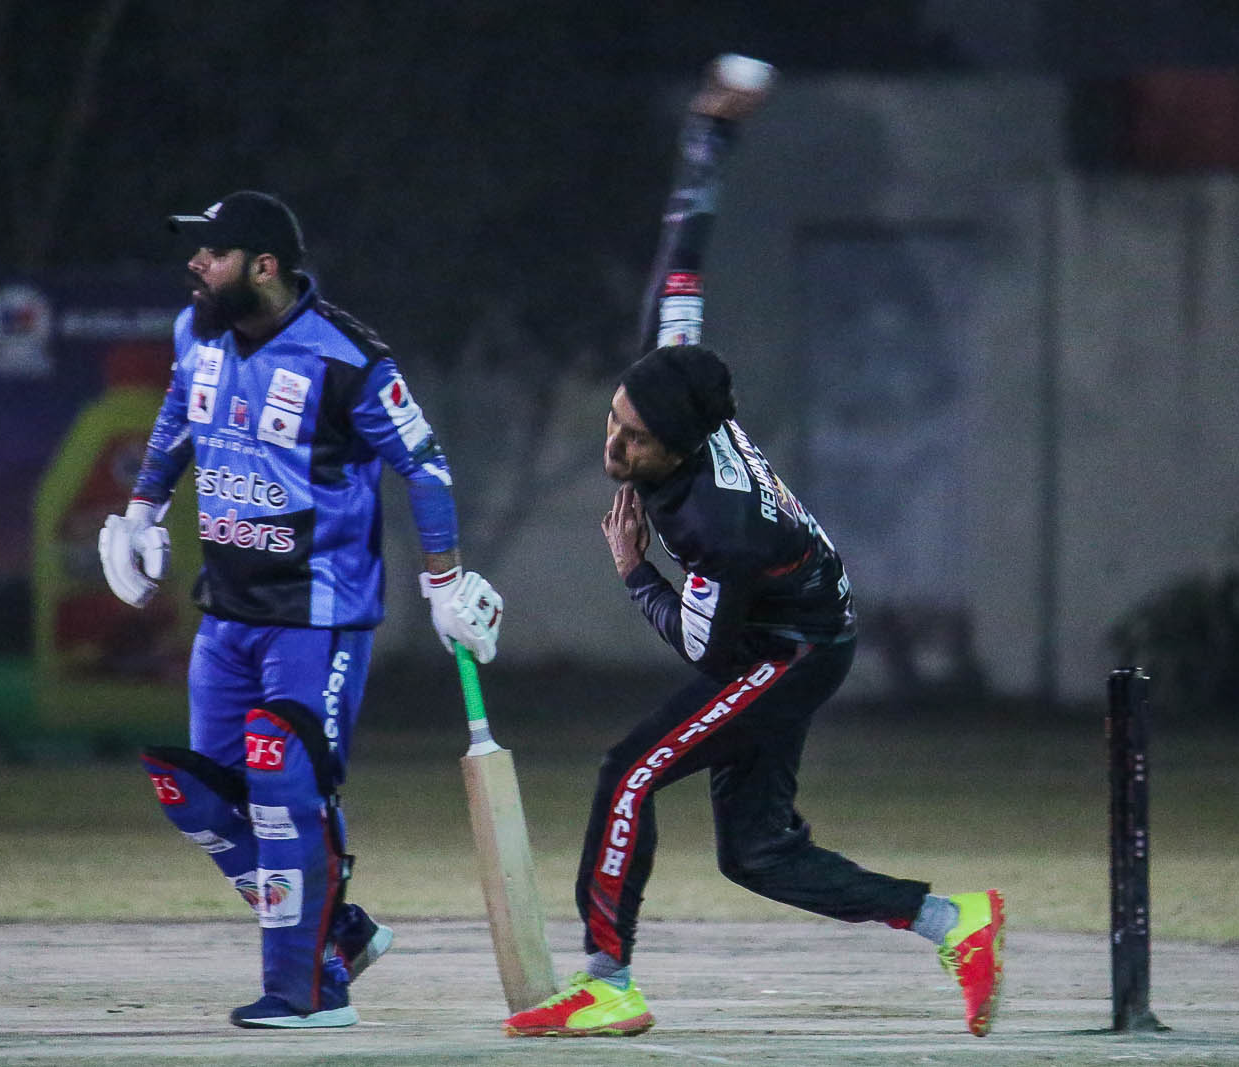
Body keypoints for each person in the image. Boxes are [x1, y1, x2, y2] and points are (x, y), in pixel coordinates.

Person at [501, 57, 1004, 1040]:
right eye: (615, 420)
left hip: (790, 645)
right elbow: (683, 256)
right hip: (799, 620)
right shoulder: (673, 373)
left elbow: (708, 649)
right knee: (757, 852)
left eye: (636, 441)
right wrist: (711, 136)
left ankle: (608, 980)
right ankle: (957, 922)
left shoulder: (714, 523)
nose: (615, 447)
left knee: (629, 770)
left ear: (683, 446)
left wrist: (635, 573)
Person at [99, 190, 504, 1029]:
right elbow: (178, 416)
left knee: (285, 783)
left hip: (319, 618)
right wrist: (140, 511)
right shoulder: (195, 332)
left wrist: (444, 580)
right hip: (226, 614)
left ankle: (308, 990)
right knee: (194, 790)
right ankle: (338, 932)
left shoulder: (347, 357)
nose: (195, 264)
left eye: (213, 253)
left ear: (264, 266)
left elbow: (425, 465)